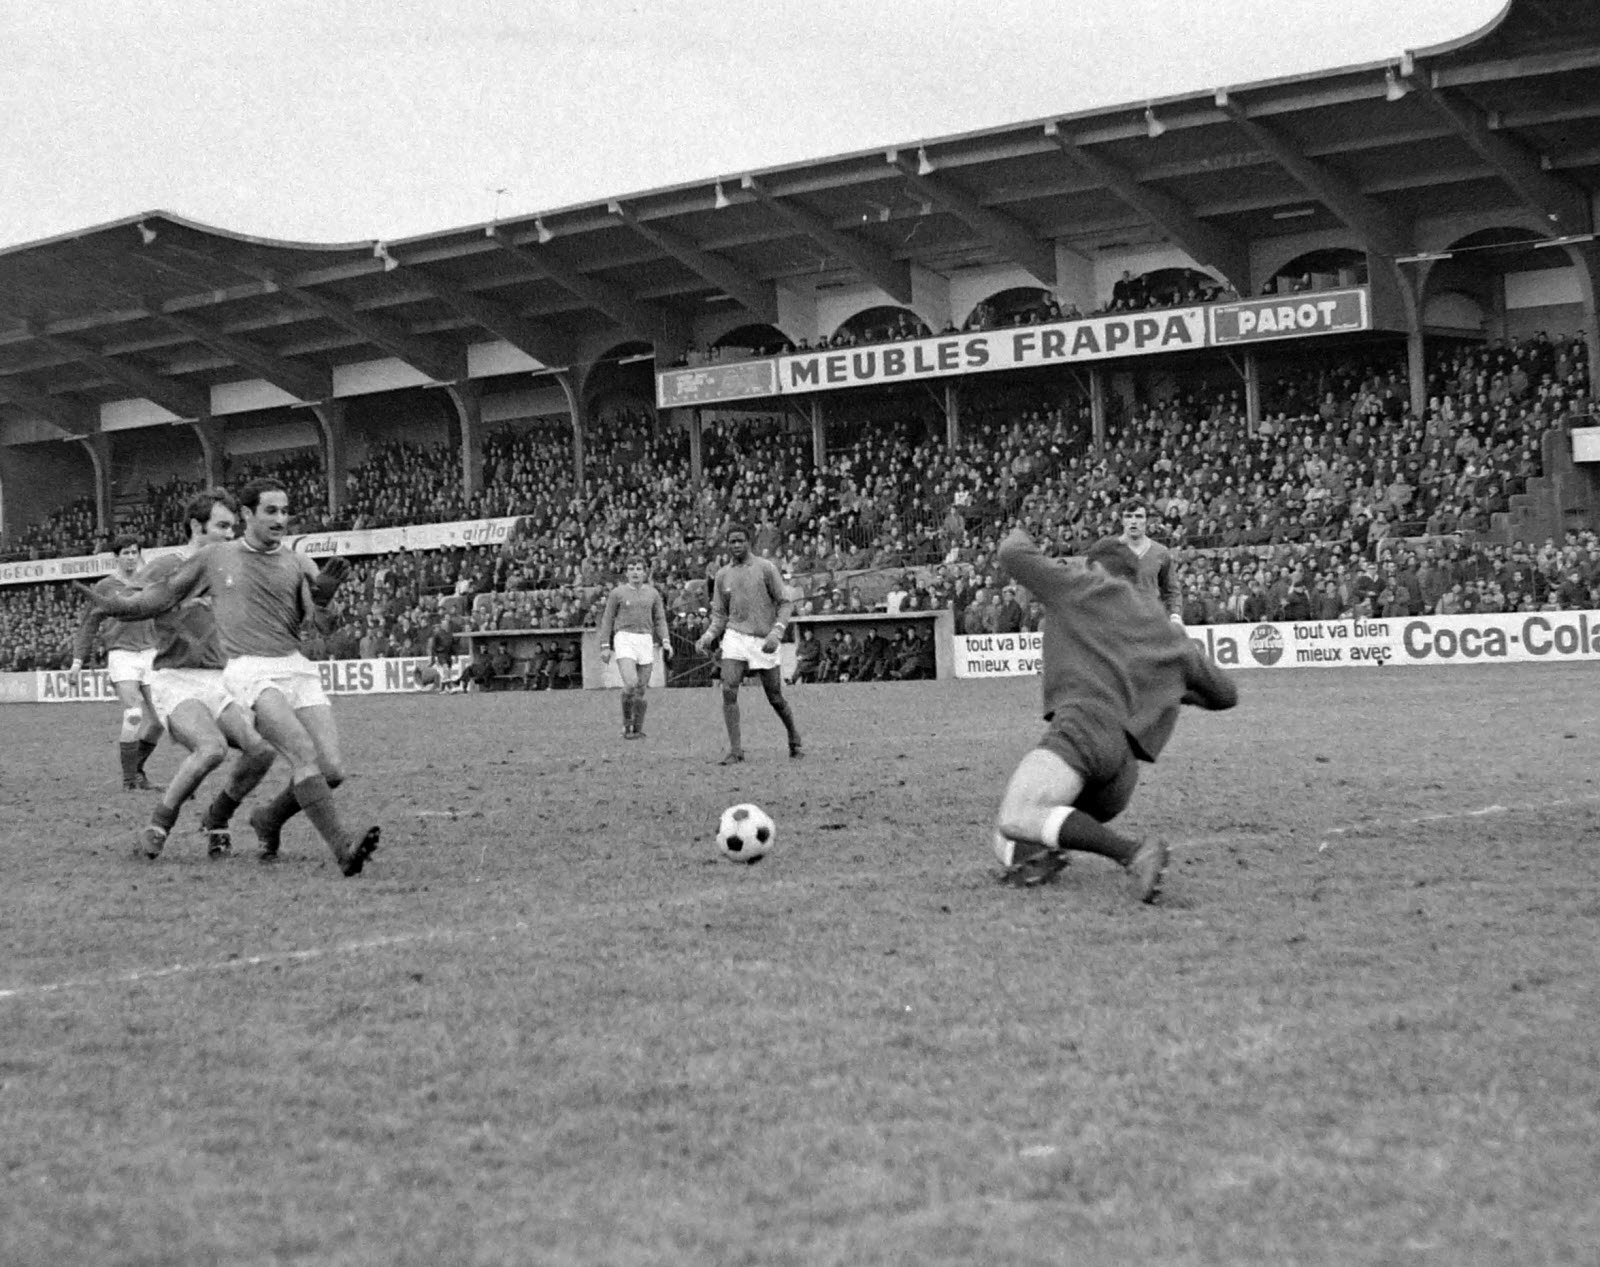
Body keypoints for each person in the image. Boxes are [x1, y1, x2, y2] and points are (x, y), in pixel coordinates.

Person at [79, 478, 379, 876]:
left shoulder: (295, 561)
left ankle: (261, 819)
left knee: (321, 767)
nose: (280, 519)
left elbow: (321, 625)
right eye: (270, 511)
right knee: (255, 751)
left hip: (274, 668)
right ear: (246, 515)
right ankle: (342, 848)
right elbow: (159, 596)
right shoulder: (208, 560)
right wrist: (114, 607)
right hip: (222, 672)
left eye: (285, 511)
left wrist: (323, 600)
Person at [990, 528, 1239, 901]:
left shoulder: (1083, 589)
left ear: (1094, 568)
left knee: (1015, 816)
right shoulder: (1164, 630)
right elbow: (1225, 695)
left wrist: (1028, 528)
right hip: (1121, 774)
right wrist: (1169, 690)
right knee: (1020, 827)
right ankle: (1039, 859)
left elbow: (1011, 552)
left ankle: (1134, 853)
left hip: (1084, 727)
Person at [132, 488, 278, 861]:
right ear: (197, 526)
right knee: (211, 748)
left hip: (218, 678)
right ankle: (160, 823)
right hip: (175, 678)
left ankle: (218, 817)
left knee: (260, 752)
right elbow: (127, 599)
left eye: (233, 527)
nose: (230, 535)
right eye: (222, 526)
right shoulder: (166, 567)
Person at [694, 523, 803, 764]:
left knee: (775, 696)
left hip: (764, 638)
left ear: (748, 542)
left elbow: (785, 603)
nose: (735, 545)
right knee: (728, 688)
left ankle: (794, 737)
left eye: (739, 541)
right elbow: (720, 615)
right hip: (735, 637)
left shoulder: (765, 568)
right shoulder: (722, 575)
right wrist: (708, 637)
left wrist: (776, 633)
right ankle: (736, 750)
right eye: (731, 541)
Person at [72, 534, 164, 790]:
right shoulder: (105, 586)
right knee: (134, 712)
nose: (131, 557)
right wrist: (77, 662)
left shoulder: (150, 582)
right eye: (125, 553)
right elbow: (89, 624)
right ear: (117, 557)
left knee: (160, 720)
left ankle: (137, 771)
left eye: (135, 552)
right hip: (122, 654)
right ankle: (129, 781)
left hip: (150, 653)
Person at [597, 557, 672, 739]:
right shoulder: (618, 593)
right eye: (631, 568)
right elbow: (607, 619)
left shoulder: (653, 593)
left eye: (639, 568)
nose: (635, 572)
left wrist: (666, 640)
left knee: (641, 688)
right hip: (624, 638)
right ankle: (626, 723)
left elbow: (660, 619)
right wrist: (605, 645)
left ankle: (637, 729)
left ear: (645, 572)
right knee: (630, 683)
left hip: (645, 639)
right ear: (626, 572)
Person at [1099, 499, 1181, 622]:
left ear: (1146, 520)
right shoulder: (1107, 550)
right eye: (1128, 516)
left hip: (1151, 623)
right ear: (1121, 520)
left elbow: (1171, 591)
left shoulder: (1161, 553)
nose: (1133, 521)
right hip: (1117, 624)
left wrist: (1175, 615)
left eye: (1139, 516)